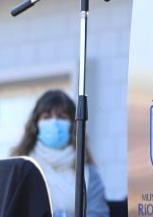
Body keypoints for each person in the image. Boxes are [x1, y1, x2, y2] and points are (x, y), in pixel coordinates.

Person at [10, 89, 110, 217]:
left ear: (74, 125)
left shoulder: (89, 174)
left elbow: (98, 213)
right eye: (47, 117)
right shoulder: (20, 169)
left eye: (62, 117)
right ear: (36, 124)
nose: (54, 123)